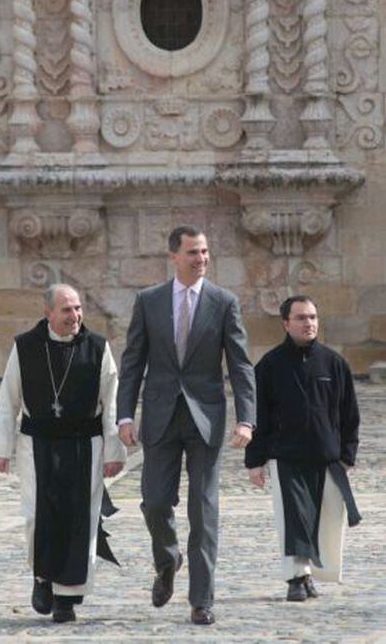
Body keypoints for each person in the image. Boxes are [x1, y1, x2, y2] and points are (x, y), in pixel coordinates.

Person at [117, 225, 256, 625]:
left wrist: (247, 419)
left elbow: (241, 365)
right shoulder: (149, 301)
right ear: (174, 256)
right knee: (155, 502)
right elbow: (132, 363)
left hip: (206, 419)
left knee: (204, 509)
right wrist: (125, 415)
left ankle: (202, 599)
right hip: (160, 416)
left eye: (205, 252)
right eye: (193, 252)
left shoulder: (223, 302)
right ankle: (168, 558)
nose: (201, 259)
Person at [0, 283, 127, 623]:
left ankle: (66, 597)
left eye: (78, 308)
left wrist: (115, 451)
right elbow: (9, 399)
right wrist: (1, 448)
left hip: (85, 445)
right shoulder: (25, 347)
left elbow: (111, 402)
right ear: (48, 312)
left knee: (79, 519)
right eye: (66, 310)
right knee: (38, 516)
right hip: (37, 445)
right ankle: (42, 578)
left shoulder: (97, 348)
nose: (75, 316)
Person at [246, 295, 361, 602]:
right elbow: (259, 416)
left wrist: (348, 454)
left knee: (323, 521)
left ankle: (308, 574)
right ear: (286, 324)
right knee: (293, 519)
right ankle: (295, 578)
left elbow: (349, 413)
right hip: (286, 456)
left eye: (312, 317)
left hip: (328, 457)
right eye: (300, 318)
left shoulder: (335, 363)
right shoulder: (269, 366)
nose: (308, 323)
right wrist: (255, 461)